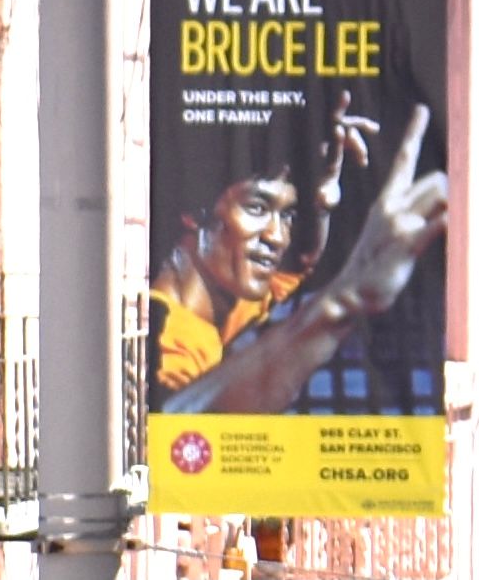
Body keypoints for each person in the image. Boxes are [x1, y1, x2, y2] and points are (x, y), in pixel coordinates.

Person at [151, 93, 450, 415]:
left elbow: (307, 263)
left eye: (288, 216)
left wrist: (323, 194)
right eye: (256, 207)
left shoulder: (240, 293)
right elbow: (184, 425)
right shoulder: (163, 333)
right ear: (194, 212)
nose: (278, 237)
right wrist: (344, 299)